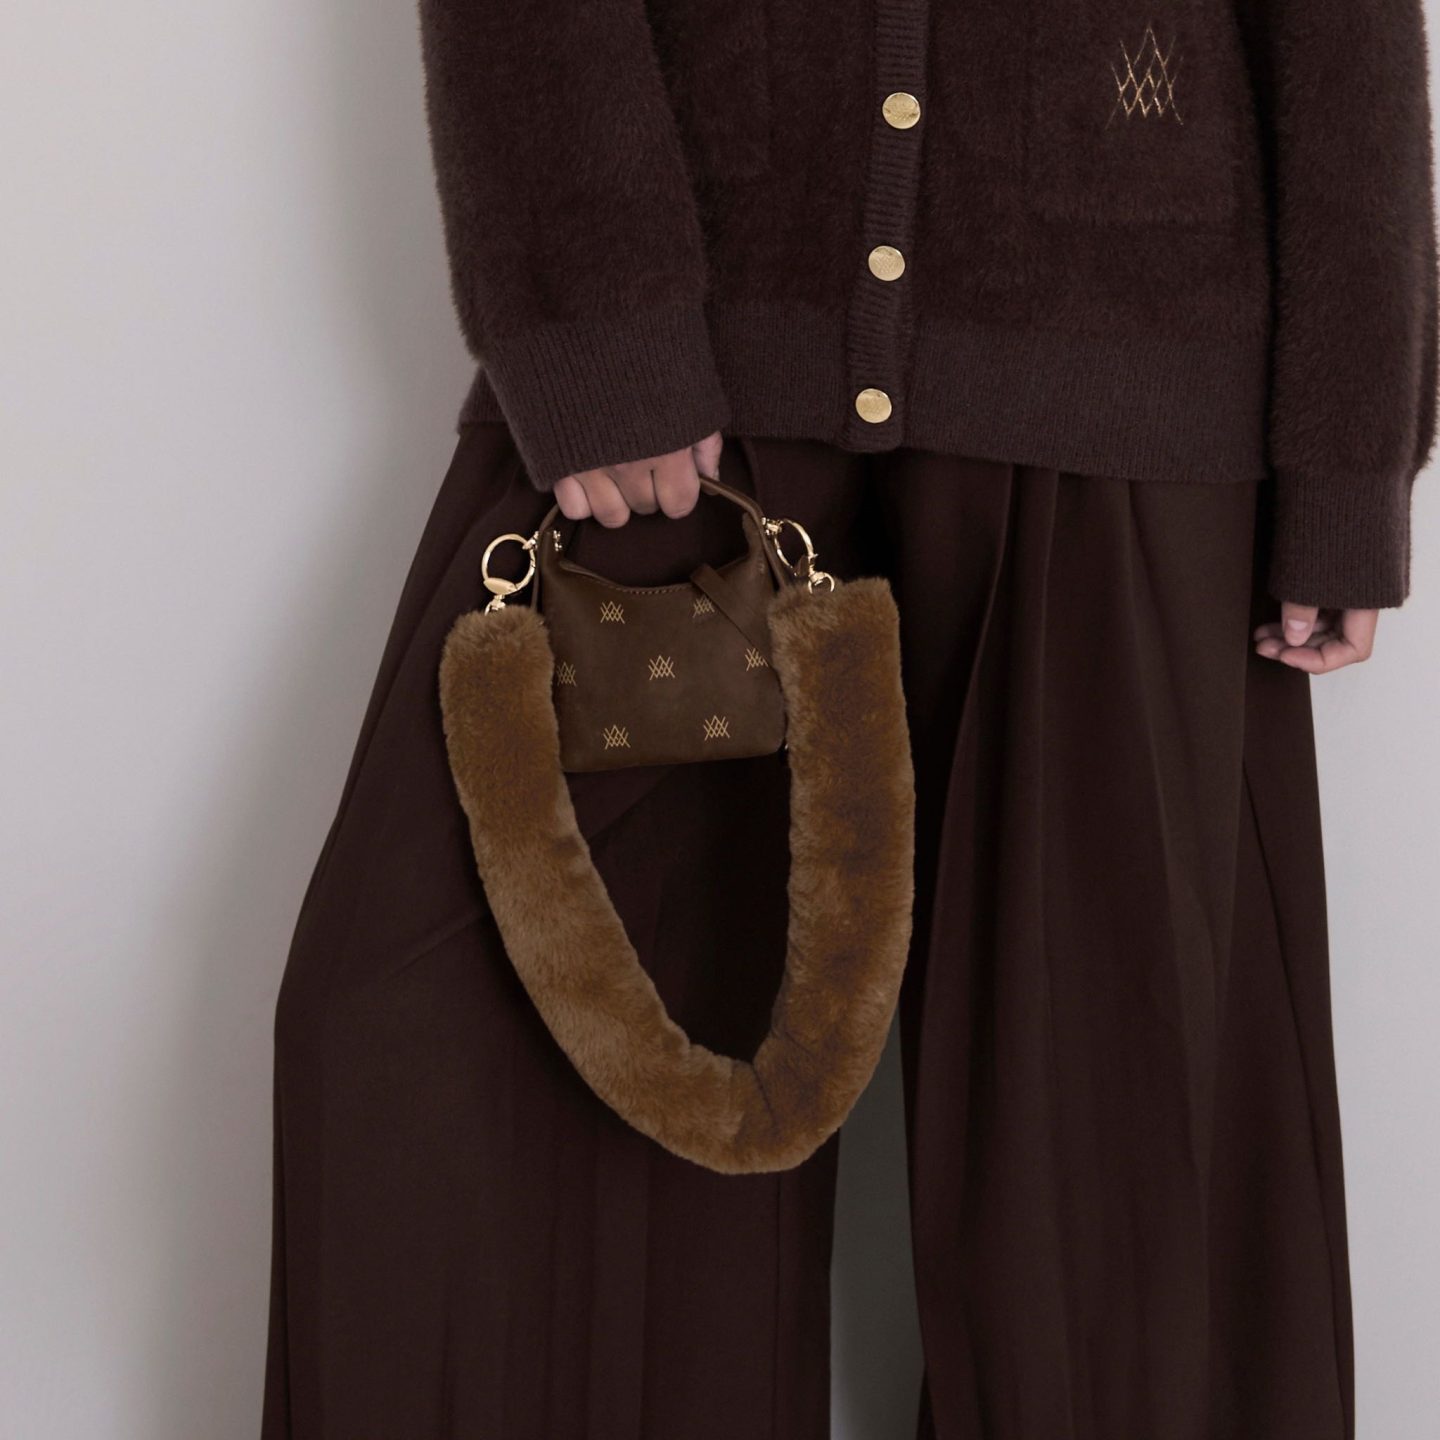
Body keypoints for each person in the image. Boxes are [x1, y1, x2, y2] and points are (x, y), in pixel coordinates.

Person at [261, 2, 1438, 1436]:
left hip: (1133, 382)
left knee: (1115, 1182)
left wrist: (1350, 445)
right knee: (440, 1048)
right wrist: (593, 314)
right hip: (692, 382)